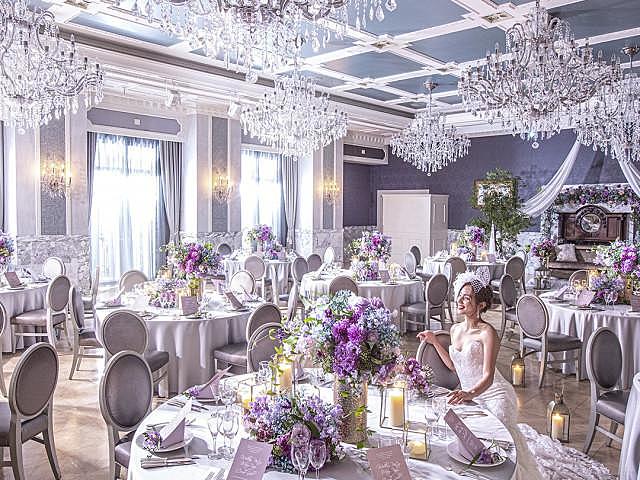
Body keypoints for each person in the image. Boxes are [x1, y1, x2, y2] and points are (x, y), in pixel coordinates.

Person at [417, 271, 612, 480]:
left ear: (481, 305)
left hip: (494, 394)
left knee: (496, 443)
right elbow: (455, 367)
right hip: (470, 396)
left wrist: (469, 394)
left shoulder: (487, 333)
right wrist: (435, 341)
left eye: (467, 298)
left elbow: (488, 376)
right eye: (460, 296)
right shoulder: (455, 330)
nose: (460, 301)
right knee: (469, 444)